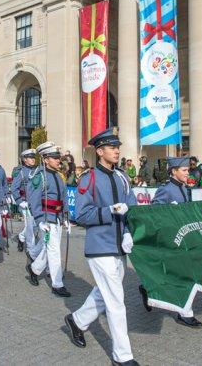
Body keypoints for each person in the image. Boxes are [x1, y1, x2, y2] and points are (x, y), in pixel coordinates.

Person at [65, 127, 139, 366]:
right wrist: (109, 211)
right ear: (99, 151)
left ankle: (77, 321)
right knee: (116, 301)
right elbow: (82, 215)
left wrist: (128, 232)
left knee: (104, 293)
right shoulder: (89, 178)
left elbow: (132, 206)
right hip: (100, 247)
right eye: (111, 147)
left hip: (119, 245)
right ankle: (122, 356)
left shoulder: (122, 177)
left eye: (117, 146)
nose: (117, 150)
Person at [150, 156, 202, 328]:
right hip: (172, 239)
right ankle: (185, 313)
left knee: (182, 274)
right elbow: (155, 211)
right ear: (174, 171)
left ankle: (147, 289)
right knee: (183, 276)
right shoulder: (166, 189)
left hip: (184, 239)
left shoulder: (184, 188)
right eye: (184, 170)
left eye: (188, 170)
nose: (188, 173)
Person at [25, 142, 71, 297]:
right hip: (46, 218)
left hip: (57, 218)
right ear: (45, 159)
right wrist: (40, 221)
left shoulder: (59, 176)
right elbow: (33, 201)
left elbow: (63, 198)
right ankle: (57, 284)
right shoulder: (40, 176)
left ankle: (34, 269)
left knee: (49, 248)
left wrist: (66, 217)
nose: (59, 160)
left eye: (59, 157)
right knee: (53, 250)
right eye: (54, 157)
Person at [11, 148, 38, 255]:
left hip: (36, 203)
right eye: (30, 158)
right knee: (30, 226)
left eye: (33, 158)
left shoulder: (38, 170)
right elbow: (14, 188)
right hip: (25, 203)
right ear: (25, 160)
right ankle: (31, 250)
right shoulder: (21, 172)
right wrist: (19, 201)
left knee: (36, 224)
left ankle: (21, 236)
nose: (33, 160)